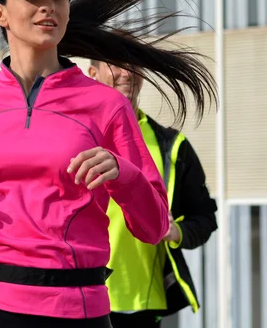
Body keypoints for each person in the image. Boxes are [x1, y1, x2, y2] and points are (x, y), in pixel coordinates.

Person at [0, 0, 217, 328]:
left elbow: (154, 225)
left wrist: (123, 175)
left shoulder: (107, 105)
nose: (49, 6)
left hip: (76, 311)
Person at [88, 60, 218, 328]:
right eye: (115, 64)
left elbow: (204, 218)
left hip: (143, 306)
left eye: (133, 64)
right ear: (93, 73)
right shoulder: (74, 136)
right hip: (80, 298)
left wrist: (176, 232)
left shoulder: (172, 145)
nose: (127, 72)